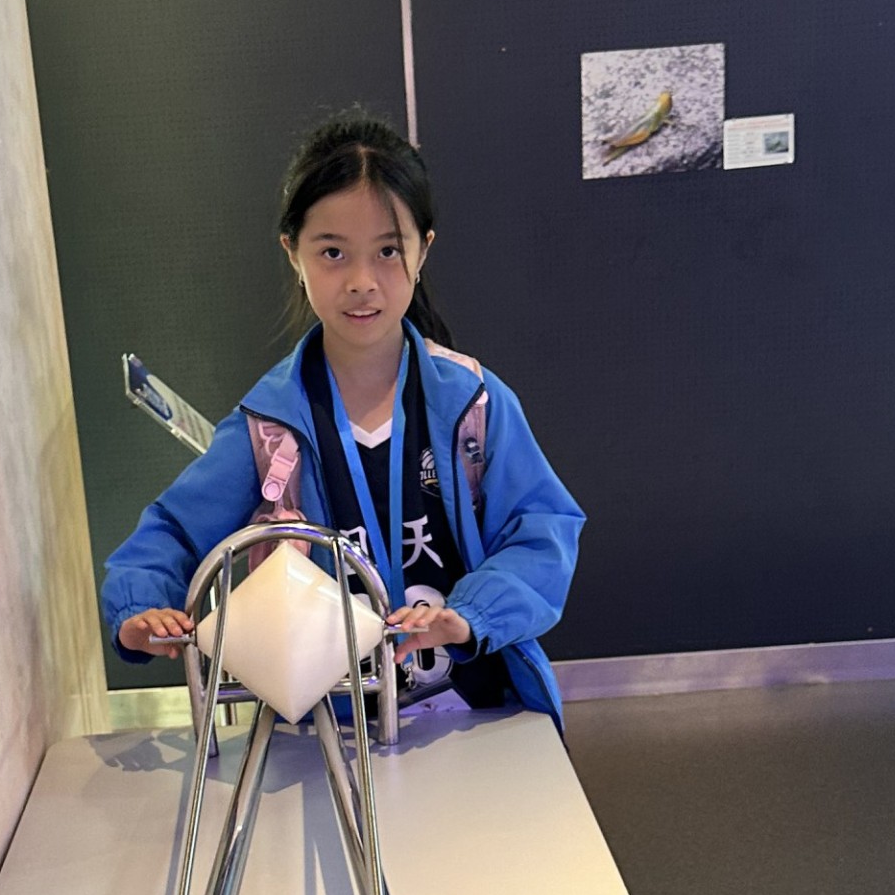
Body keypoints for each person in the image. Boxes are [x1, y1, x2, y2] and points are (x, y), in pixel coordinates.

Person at [102, 110, 584, 721]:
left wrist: (471, 614)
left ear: (424, 249)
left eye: (388, 251)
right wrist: (142, 607)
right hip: (335, 733)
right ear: (292, 252)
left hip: (477, 712)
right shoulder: (268, 427)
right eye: (333, 252)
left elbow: (542, 529)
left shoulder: (475, 404)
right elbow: (170, 532)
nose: (362, 281)